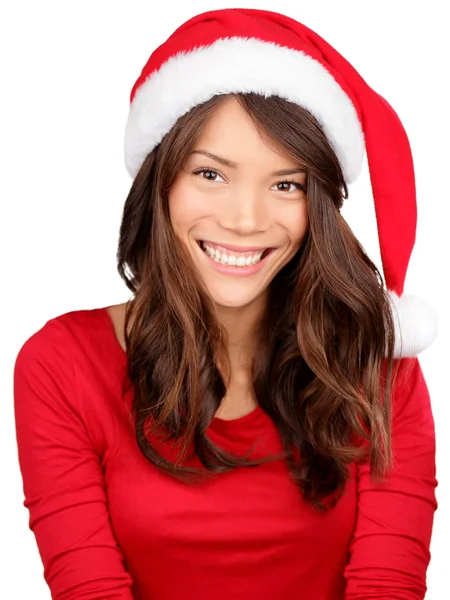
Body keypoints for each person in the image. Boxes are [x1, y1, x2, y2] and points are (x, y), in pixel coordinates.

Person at [13, 7, 438, 600]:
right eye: (211, 175)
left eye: (285, 184)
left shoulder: (378, 370)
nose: (245, 220)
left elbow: (387, 585)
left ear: (317, 206)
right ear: (160, 183)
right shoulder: (61, 365)